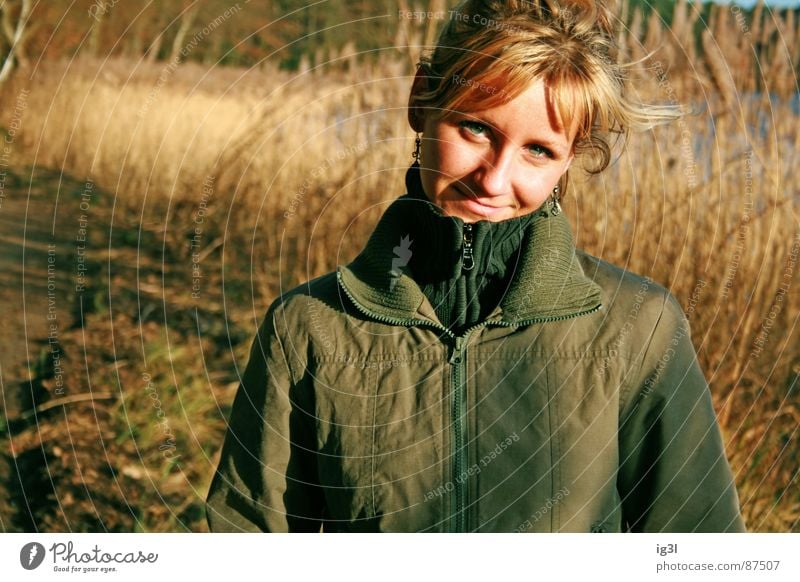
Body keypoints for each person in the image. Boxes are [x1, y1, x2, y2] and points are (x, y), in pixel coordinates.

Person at [205, 0, 745, 533]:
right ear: (422, 100)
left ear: (571, 158)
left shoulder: (639, 329)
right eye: (476, 129)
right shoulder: (307, 329)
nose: (493, 180)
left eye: (538, 150)